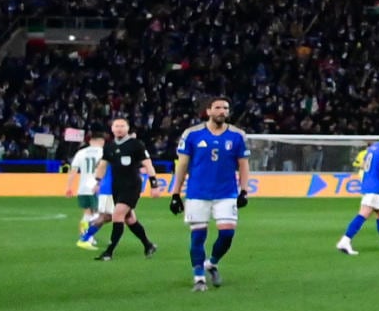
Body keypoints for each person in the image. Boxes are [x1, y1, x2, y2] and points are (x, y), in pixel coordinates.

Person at [172, 98, 250, 292]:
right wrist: (175, 193)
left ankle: (212, 263)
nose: (222, 111)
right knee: (198, 236)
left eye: (225, 108)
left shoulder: (237, 136)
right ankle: (199, 277)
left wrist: (244, 190)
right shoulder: (192, 134)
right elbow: (182, 165)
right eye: (218, 108)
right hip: (197, 193)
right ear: (208, 111)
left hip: (226, 193)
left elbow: (243, 164)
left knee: (227, 233)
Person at [92, 116, 159, 262]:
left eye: (122, 126)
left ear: (128, 128)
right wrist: (97, 182)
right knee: (130, 219)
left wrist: (154, 184)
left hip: (132, 185)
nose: (119, 128)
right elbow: (103, 165)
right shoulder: (109, 146)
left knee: (117, 216)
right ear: (112, 129)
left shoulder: (136, 145)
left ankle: (109, 252)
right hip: (117, 186)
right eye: (116, 126)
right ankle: (148, 245)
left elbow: (148, 165)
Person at [338, 135, 379, 255]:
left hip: (369, 184)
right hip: (376, 186)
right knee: (364, 214)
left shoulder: (374, 147)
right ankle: (345, 240)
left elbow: (364, 165)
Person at [69, 135, 106, 248]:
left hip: (83, 187)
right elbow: (105, 168)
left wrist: (68, 187)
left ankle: (84, 235)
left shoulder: (81, 152)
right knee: (97, 214)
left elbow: (73, 170)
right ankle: (88, 237)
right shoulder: (103, 152)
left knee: (87, 212)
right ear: (101, 141)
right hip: (96, 186)